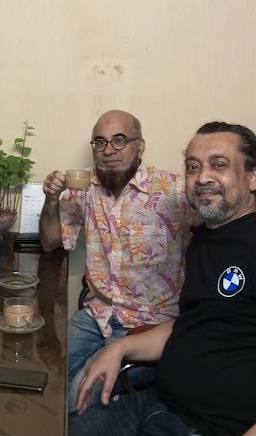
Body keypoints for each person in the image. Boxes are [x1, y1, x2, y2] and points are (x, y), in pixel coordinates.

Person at [70, 122, 256, 436]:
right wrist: (121, 348)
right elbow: (194, 324)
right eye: (193, 167)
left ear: (253, 176)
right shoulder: (204, 239)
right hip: (157, 405)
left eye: (219, 165)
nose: (202, 177)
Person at [39, 109, 191, 411]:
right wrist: (52, 199)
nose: (108, 150)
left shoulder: (174, 190)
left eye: (119, 140)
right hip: (96, 313)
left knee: (78, 395)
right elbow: (50, 242)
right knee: (49, 379)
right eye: (100, 142)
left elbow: (219, 230)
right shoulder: (84, 187)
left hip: (149, 323)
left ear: (140, 145)